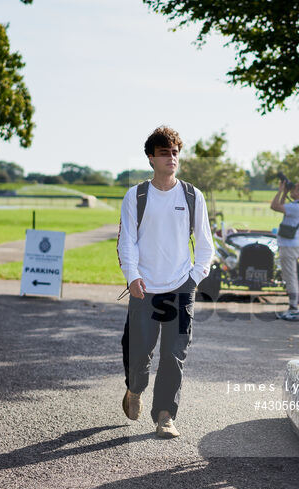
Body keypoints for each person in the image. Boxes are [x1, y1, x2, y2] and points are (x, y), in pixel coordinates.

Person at [117, 126, 214, 439]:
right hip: (143, 288)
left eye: (175, 153)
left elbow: (205, 245)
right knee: (136, 351)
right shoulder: (136, 195)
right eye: (164, 153)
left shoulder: (191, 196)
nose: (172, 158)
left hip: (180, 288)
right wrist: (132, 276)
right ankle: (134, 390)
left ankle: (164, 416)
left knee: (174, 354)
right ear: (151, 158)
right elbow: (127, 241)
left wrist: (194, 278)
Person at [270, 178, 299, 320]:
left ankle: (293, 308)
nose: (293, 190)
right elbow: (281, 205)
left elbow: (274, 206)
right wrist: (285, 192)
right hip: (291, 245)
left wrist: (281, 190)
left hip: (288, 246)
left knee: (290, 277)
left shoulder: (296, 207)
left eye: (295, 188)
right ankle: (292, 306)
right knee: (290, 276)